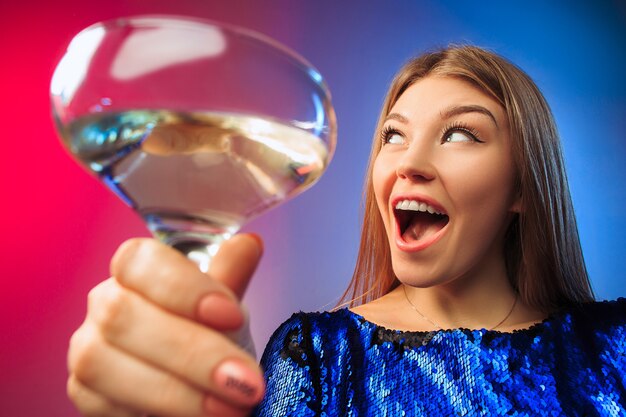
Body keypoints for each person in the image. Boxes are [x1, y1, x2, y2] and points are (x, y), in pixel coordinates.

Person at [66, 45, 626, 417]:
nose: (410, 163)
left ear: (524, 187)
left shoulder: (612, 347)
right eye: (393, 136)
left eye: (460, 135)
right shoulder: (317, 356)